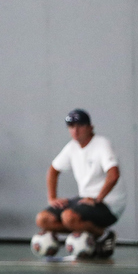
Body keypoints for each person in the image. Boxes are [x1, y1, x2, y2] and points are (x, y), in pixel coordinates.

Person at [36, 109, 125, 258]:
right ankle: (88, 236)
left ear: (90, 127)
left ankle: (104, 235)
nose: (75, 131)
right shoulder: (72, 147)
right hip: (85, 198)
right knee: (43, 219)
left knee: (69, 217)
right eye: (71, 127)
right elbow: (53, 171)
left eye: (80, 126)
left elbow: (113, 175)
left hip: (109, 203)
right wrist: (52, 199)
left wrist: (98, 199)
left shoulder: (102, 144)